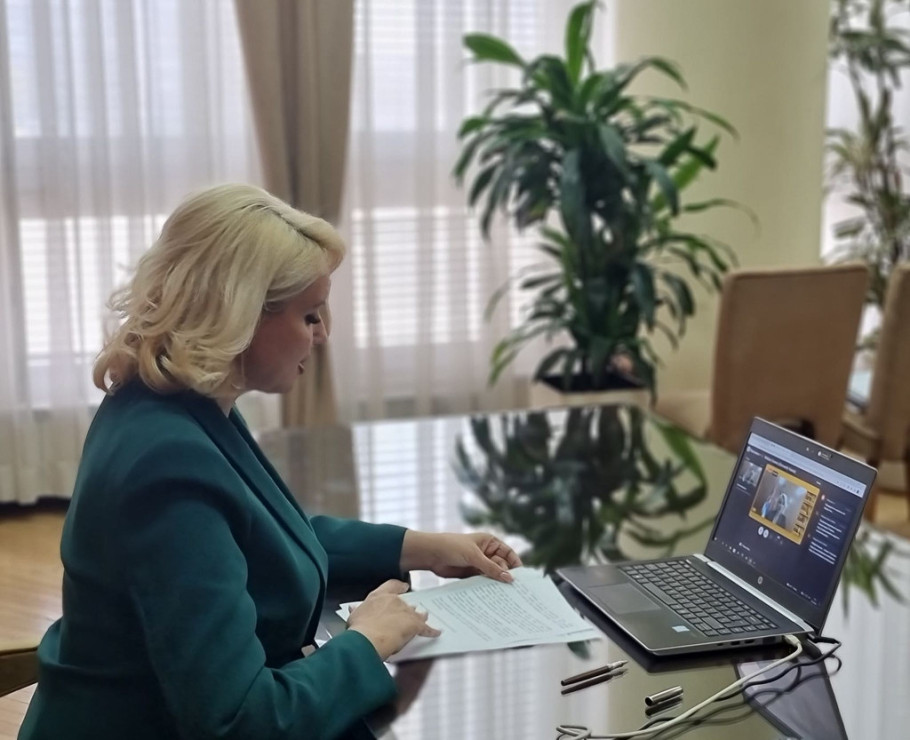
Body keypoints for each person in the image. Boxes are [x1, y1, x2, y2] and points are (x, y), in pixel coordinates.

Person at [19, 184, 522, 740]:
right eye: (310, 314)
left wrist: (423, 547)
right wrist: (368, 641)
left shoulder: (174, 404)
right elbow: (242, 722)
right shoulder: (166, 464)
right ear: (241, 314)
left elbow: (259, 536)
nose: (323, 334)